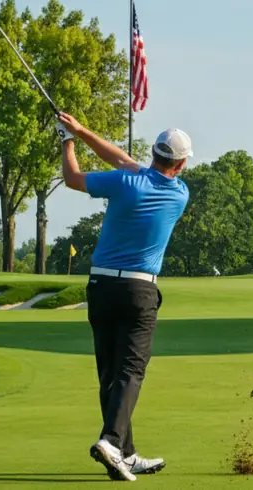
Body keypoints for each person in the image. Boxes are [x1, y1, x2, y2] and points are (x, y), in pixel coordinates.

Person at [56, 112, 192, 482]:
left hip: (100, 287)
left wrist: (68, 137)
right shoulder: (180, 193)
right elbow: (121, 160)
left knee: (110, 375)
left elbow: (73, 178)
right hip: (138, 291)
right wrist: (79, 131)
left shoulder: (126, 182)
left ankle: (126, 455)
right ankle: (112, 441)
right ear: (180, 164)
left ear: (153, 154)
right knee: (131, 371)